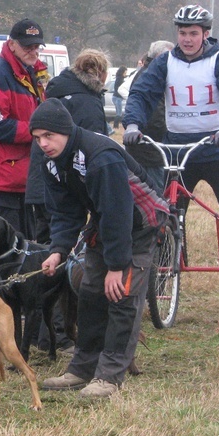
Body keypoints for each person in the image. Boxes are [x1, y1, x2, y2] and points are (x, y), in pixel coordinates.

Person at [29, 98, 169, 397]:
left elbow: (118, 212)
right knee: (92, 293)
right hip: (106, 220)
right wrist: (58, 250)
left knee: (121, 296)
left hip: (140, 223)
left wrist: (117, 267)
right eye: (37, 137)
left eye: (48, 136)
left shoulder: (101, 156)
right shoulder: (51, 162)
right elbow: (66, 212)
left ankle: (110, 376)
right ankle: (83, 369)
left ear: (66, 131)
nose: (43, 143)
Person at [122, 4, 219, 299]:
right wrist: (133, 124)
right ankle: (163, 275)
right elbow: (141, 93)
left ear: (205, 34)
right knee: (168, 213)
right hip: (179, 150)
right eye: (182, 33)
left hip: (217, 150)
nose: (186, 39)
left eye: (193, 33)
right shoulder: (165, 63)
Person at [26, 48, 110, 244]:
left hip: (42, 176)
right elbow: (95, 145)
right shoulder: (87, 101)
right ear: (100, 73)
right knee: (64, 241)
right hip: (66, 181)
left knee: (44, 241)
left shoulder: (56, 92)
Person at [0, 18, 47, 239]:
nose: (33, 51)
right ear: (12, 44)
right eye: (27, 46)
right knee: (8, 249)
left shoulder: (32, 73)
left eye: (36, 46)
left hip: (25, 174)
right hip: (6, 174)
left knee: (28, 245)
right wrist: (36, 132)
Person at [123, 40, 174, 195]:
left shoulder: (148, 73)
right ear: (160, 56)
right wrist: (170, 135)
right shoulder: (150, 78)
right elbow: (155, 118)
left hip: (146, 148)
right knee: (154, 197)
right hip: (150, 150)